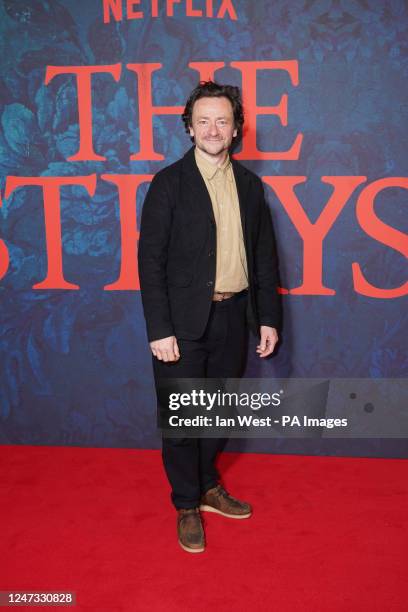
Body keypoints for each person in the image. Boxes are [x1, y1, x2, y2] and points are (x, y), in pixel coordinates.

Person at [138, 81, 281, 553]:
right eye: (203, 120)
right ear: (189, 127)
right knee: (182, 419)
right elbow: (150, 260)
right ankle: (185, 504)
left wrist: (267, 318)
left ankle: (205, 486)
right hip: (181, 323)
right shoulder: (168, 184)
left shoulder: (250, 185)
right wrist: (159, 329)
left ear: (236, 128)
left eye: (222, 120)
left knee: (219, 413)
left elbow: (263, 258)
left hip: (234, 316)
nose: (213, 129)